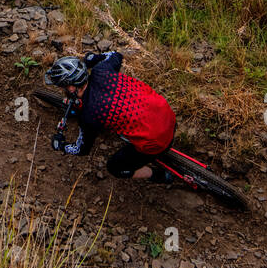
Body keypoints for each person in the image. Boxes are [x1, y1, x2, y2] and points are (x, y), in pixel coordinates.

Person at [46, 51, 176, 182]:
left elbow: (81, 149)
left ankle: (158, 175)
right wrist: (95, 58)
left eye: (63, 87)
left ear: (71, 88)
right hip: (165, 113)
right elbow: (116, 55)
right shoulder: (101, 70)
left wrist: (61, 145)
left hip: (157, 141)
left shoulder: (89, 115)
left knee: (115, 168)